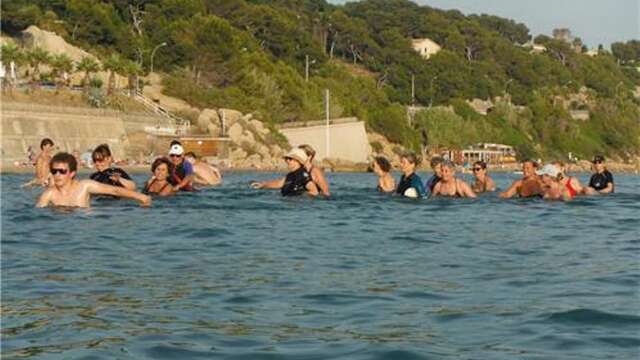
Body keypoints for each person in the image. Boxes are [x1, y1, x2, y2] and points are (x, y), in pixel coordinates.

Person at [36, 152, 151, 208]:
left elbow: (114, 191)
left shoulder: (84, 186)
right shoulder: (49, 194)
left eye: (62, 171)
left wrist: (142, 197)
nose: (57, 174)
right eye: (54, 171)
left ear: (72, 173)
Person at [250, 148, 319, 197]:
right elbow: (279, 184)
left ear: (298, 161)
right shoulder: (290, 175)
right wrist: (263, 185)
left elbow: (314, 192)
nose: (287, 161)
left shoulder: (303, 175)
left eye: (290, 159)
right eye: (286, 159)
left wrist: (299, 197)